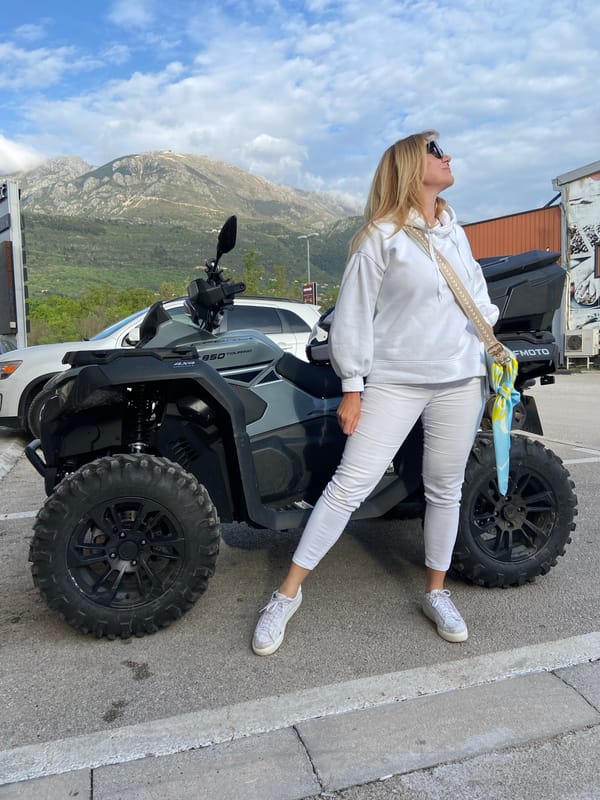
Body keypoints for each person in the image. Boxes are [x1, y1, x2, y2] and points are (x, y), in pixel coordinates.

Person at [252, 130, 499, 655]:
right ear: (411, 166)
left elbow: (478, 296)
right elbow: (353, 320)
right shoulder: (380, 237)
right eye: (435, 151)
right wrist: (352, 388)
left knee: (444, 488)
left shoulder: (455, 232)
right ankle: (286, 594)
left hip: (460, 380)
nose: (447, 156)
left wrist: (482, 350)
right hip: (395, 381)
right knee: (348, 486)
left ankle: (437, 592)